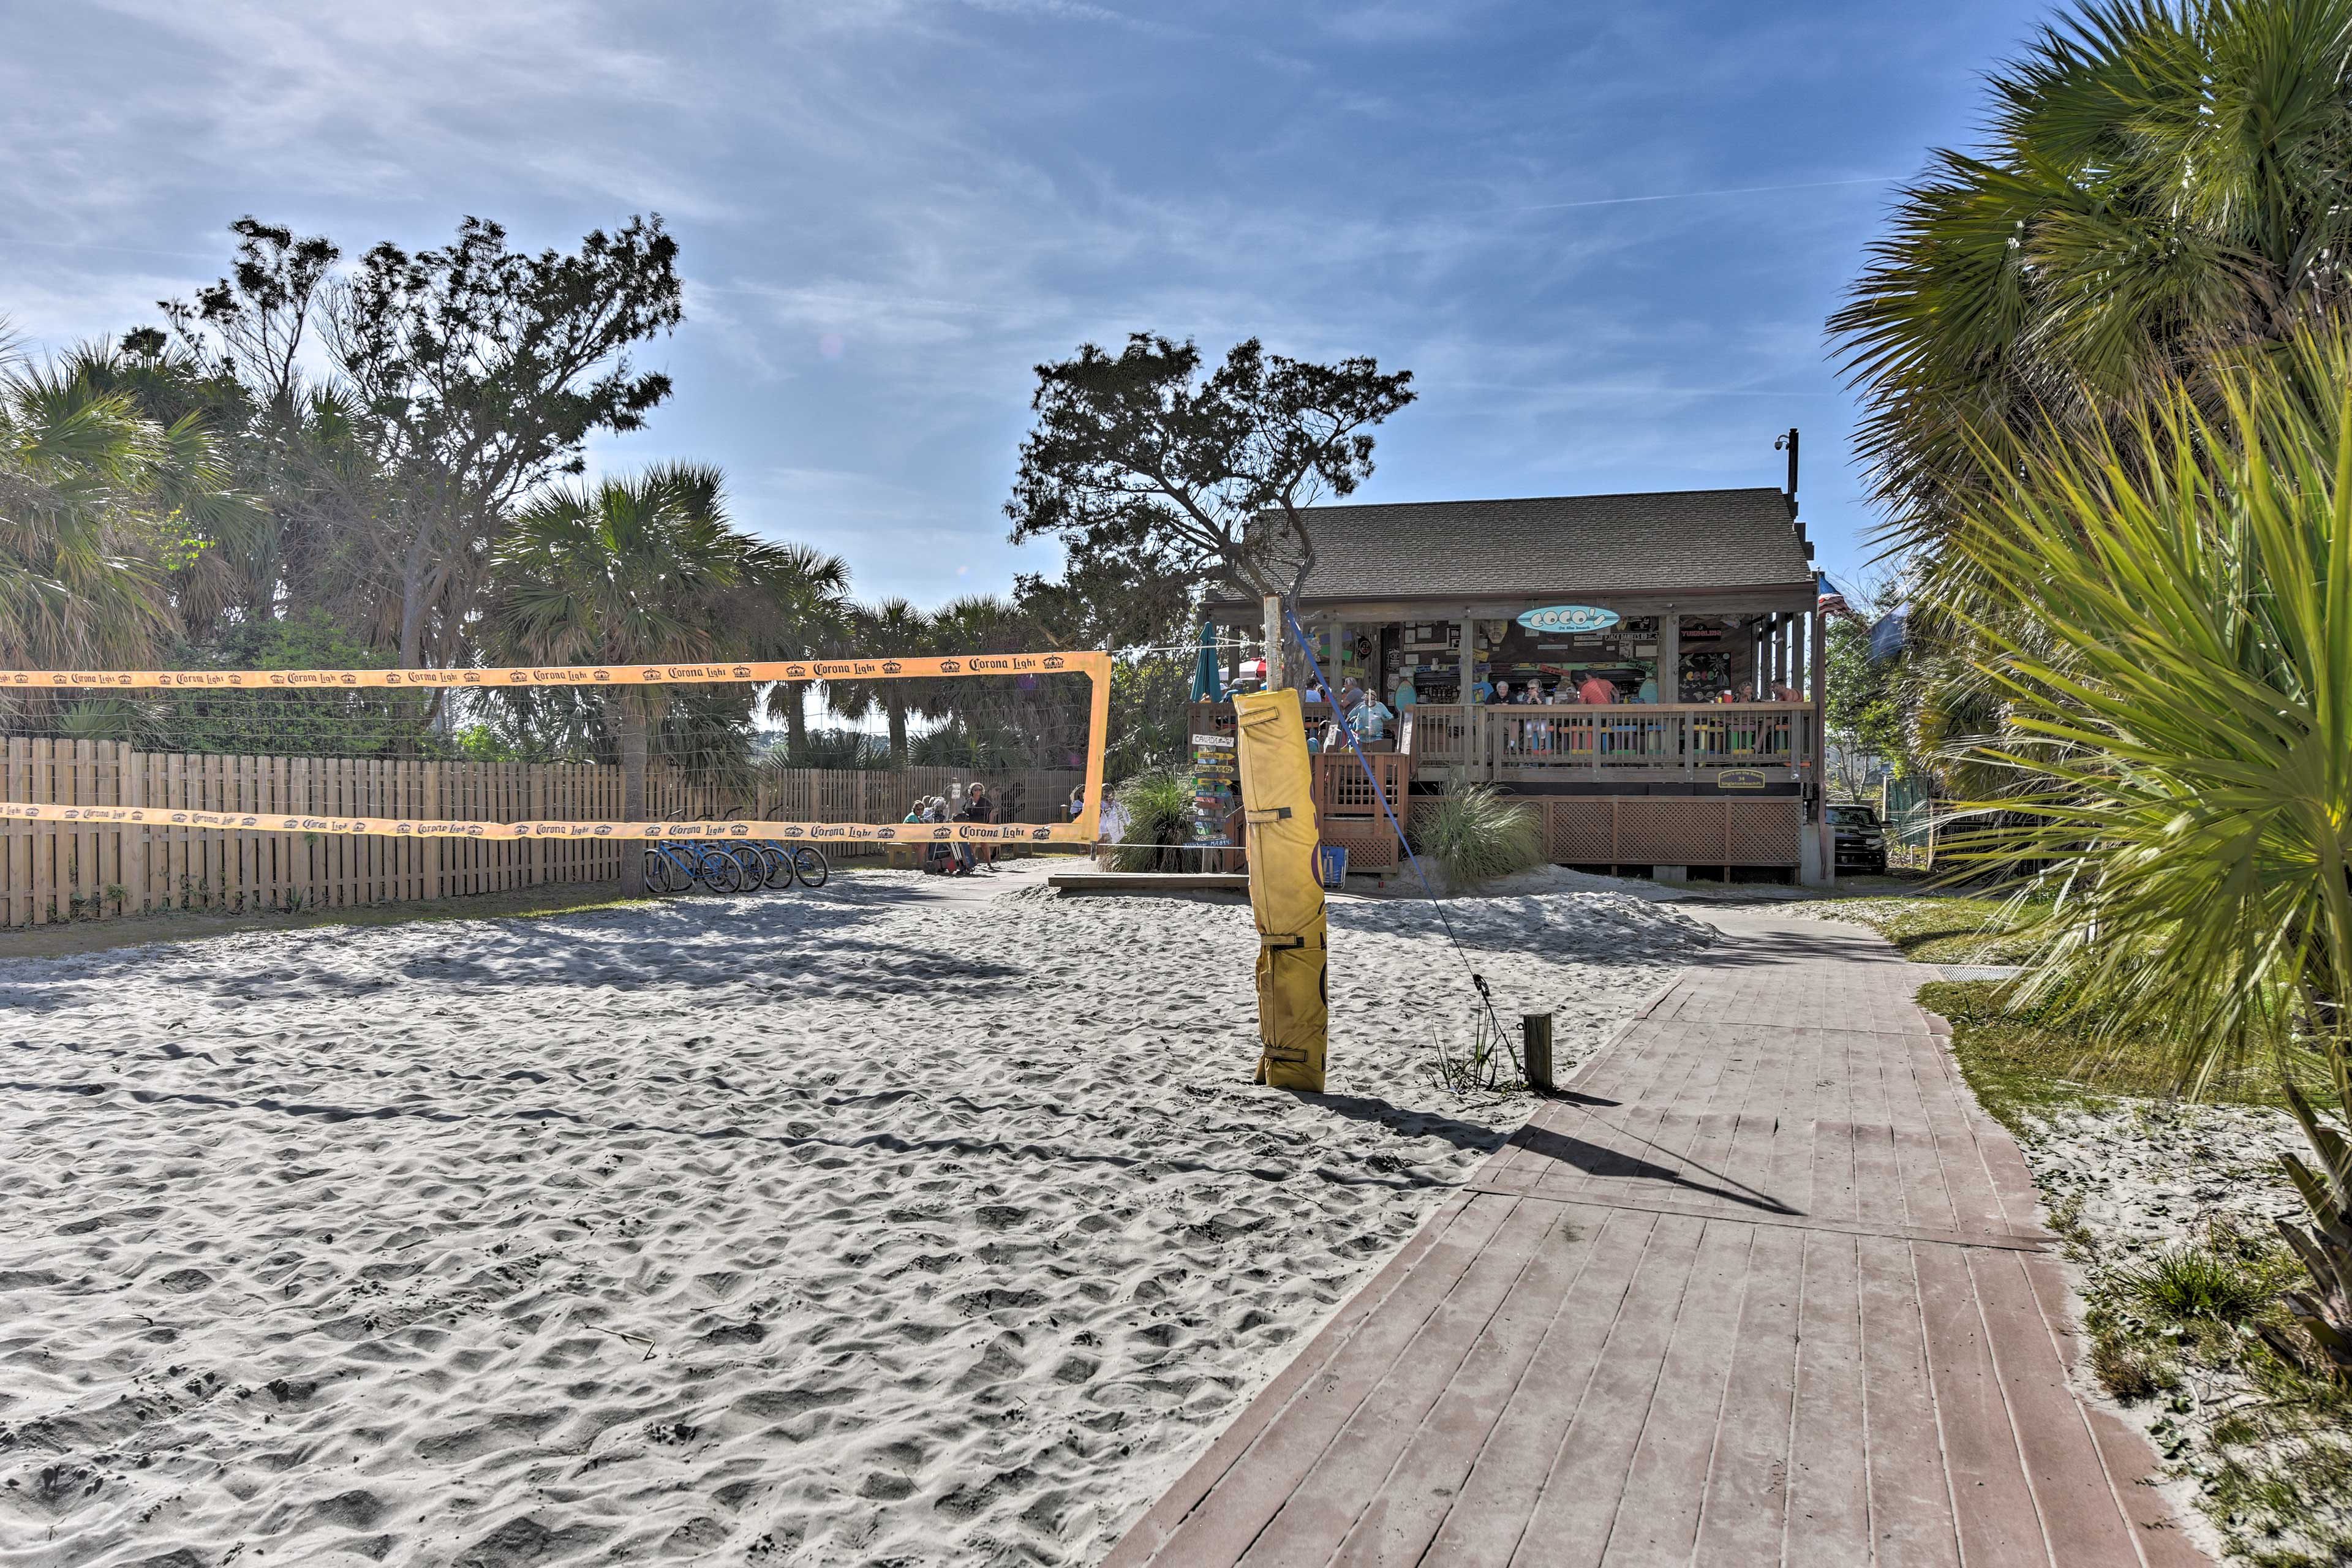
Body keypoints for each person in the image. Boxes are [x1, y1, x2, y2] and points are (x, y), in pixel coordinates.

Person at [957, 782, 994, 872]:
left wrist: (990, 822)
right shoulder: (968, 801)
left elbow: (992, 811)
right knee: (972, 845)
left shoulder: (985, 801)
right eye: (976, 789)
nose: (978, 791)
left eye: (980, 790)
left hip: (982, 826)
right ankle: (973, 863)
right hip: (971, 826)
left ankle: (989, 863)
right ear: (972, 791)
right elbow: (963, 811)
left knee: (984, 844)